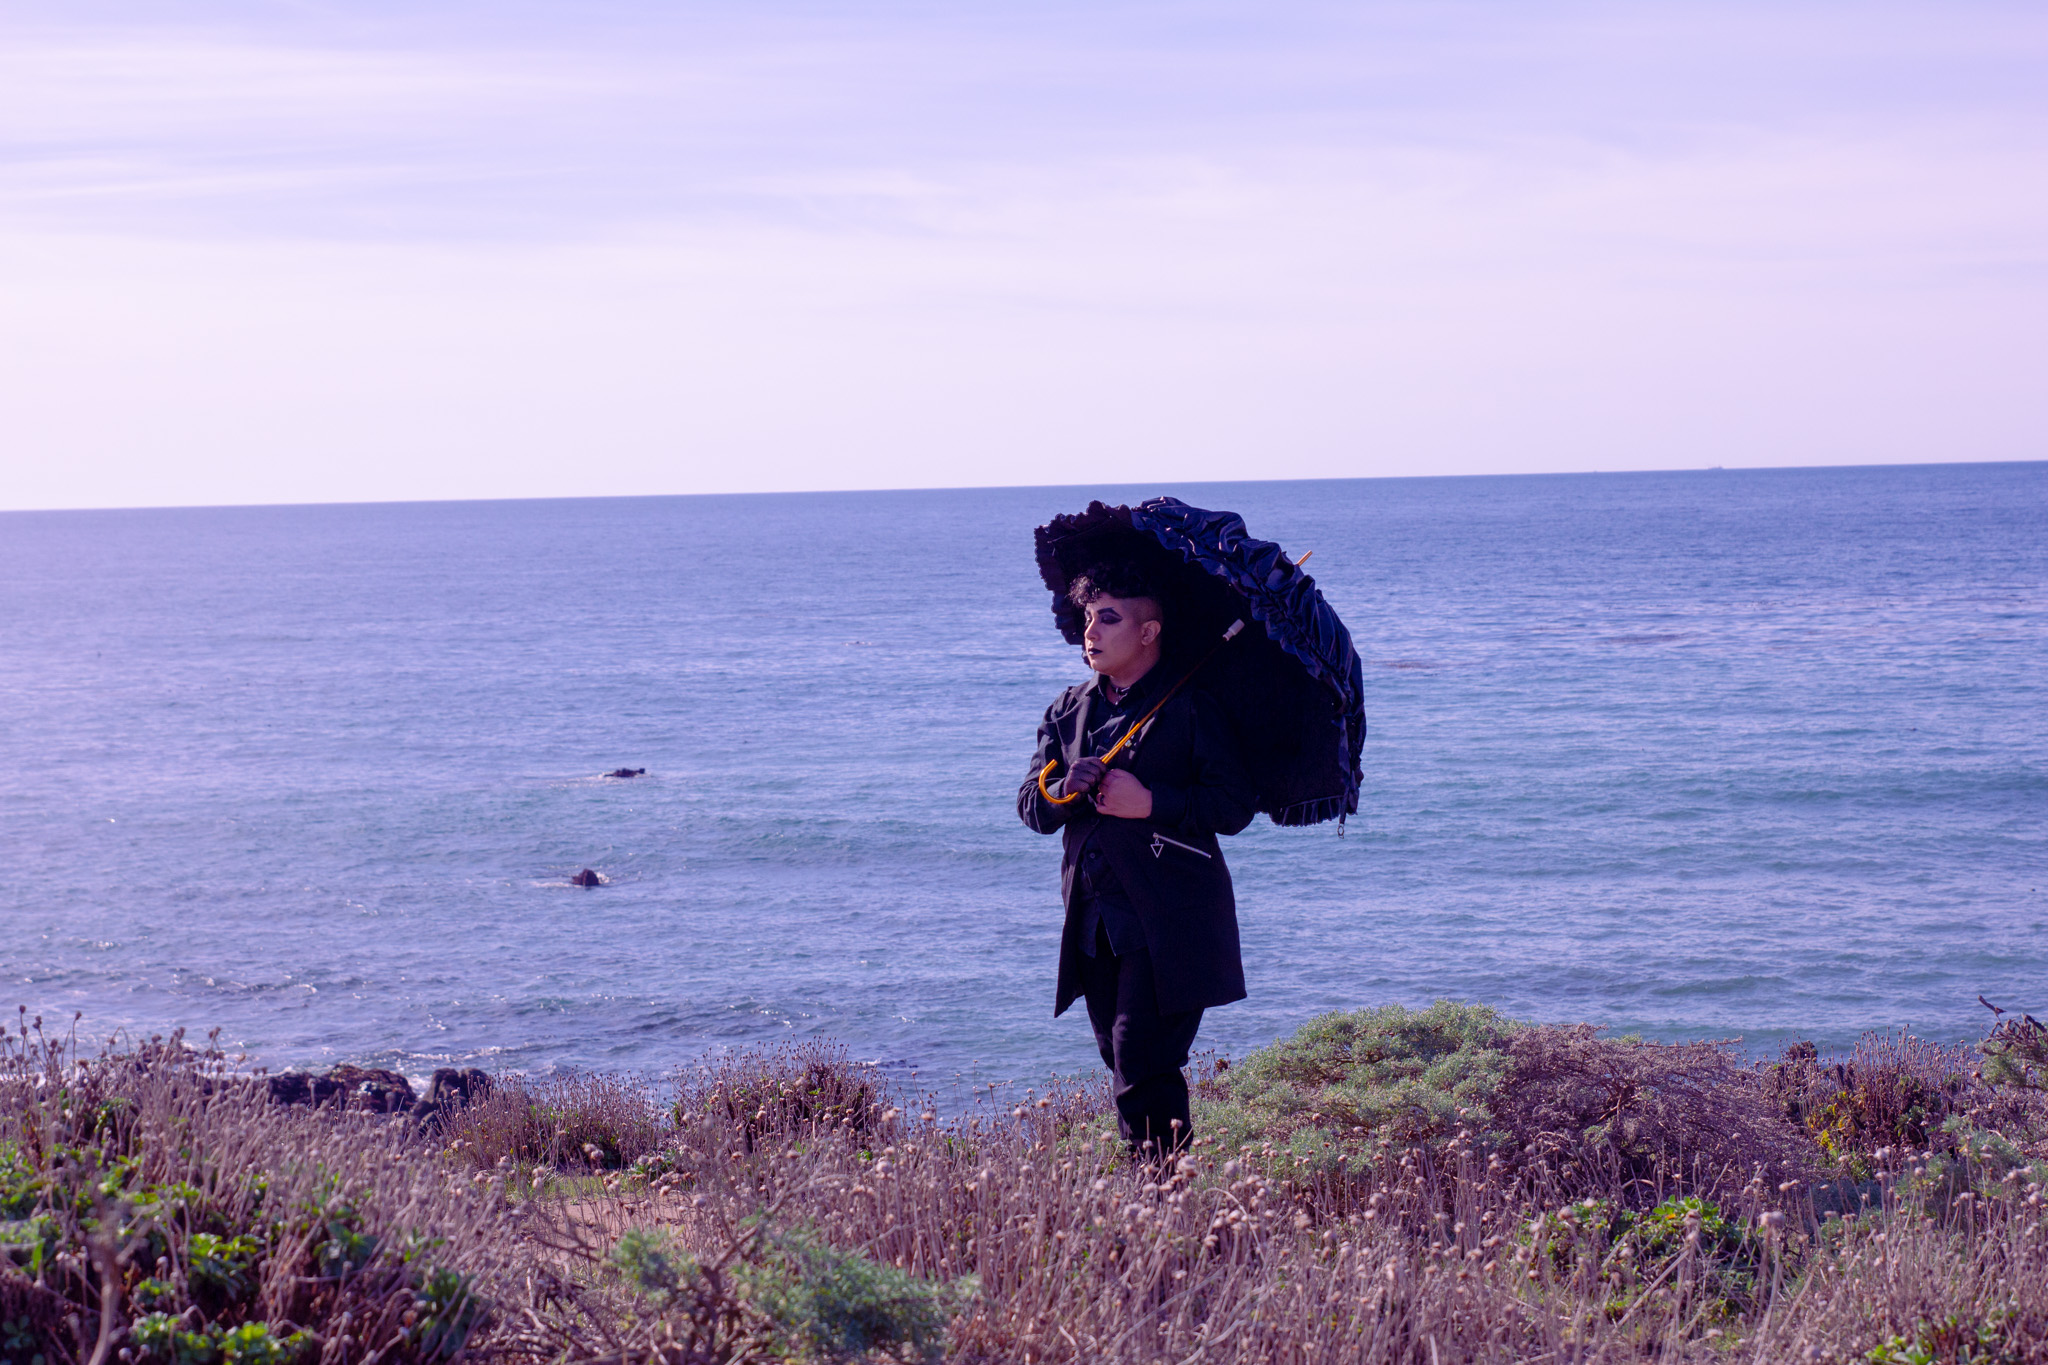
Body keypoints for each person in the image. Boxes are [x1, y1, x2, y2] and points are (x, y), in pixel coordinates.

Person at [1017, 560, 1257, 1159]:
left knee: (1141, 1062)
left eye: (1108, 619)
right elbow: (1030, 806)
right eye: (1087, 618)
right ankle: (1164, 1204)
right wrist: (1064, 789)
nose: (1089, 632)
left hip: (1173, 919)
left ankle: (1156, 1207)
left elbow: (1232, 805)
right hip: (1095, 922)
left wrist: (1150, 801)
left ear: (1149, 632)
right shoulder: (1066, 712)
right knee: (1123, 1063)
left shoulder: (1193, 707)